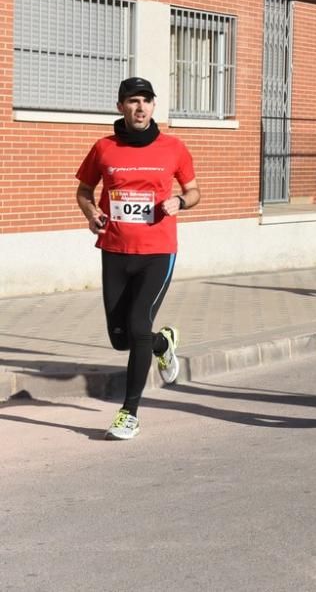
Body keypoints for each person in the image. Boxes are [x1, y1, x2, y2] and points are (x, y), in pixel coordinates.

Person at [75, 77, 200, 440]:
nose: (140, 107)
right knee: (121, 338)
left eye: (146, 100)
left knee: (138, 321)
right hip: (114, 251)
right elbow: (84, 191)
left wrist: (179, 202)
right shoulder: (103, 148)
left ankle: (129, 412)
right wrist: (90, 214)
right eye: (132, 101)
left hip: (158, 251)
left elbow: (194, 192)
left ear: (154, 106)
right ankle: (164, 344)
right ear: (120, 107)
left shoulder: (173, 148)